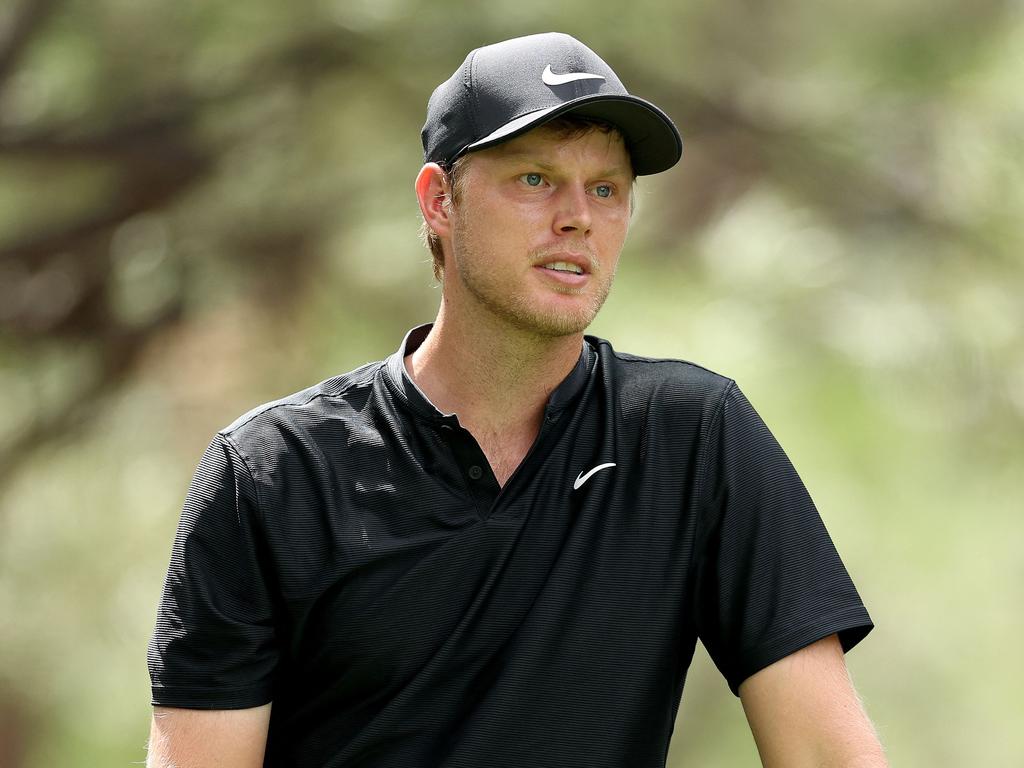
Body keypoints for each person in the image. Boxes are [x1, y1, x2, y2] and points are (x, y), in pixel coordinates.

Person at [147, 32, 887, 768]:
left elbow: (828, 755)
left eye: (606, 188)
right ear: (440, 201)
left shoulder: (691, 439)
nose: (578, 217)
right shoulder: (270, 475)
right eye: (535, 179)